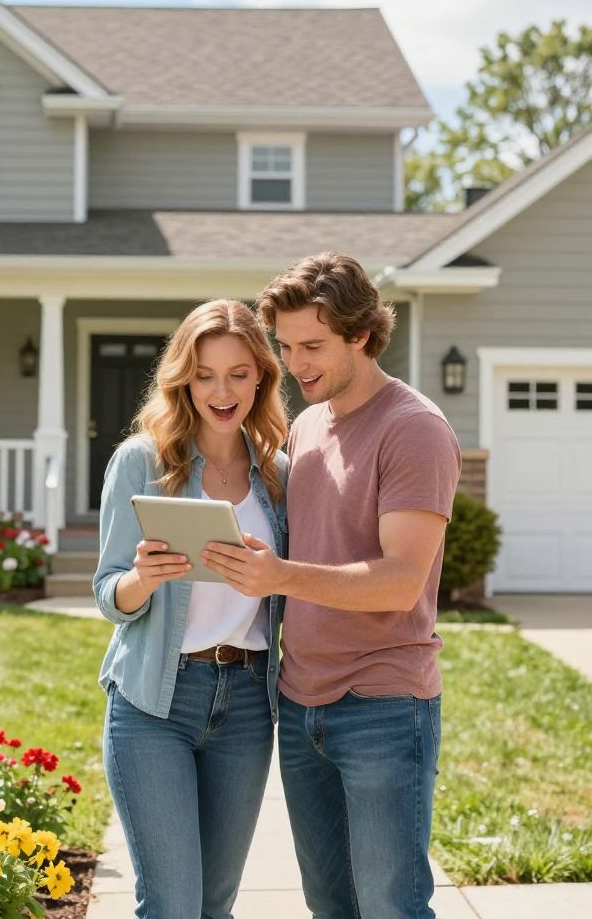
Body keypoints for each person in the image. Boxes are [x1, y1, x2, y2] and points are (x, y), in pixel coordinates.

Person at [202, 253, 462, 919]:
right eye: (286, 348)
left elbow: (401, 582)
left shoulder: (415, 430)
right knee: (330, 908)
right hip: (300, 701)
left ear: (362, 334)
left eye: (313, 346)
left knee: (390, 907)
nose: (297, 364)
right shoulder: (309, 426)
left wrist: (281, 576)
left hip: (381, 702)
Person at [93, 299, 289, 919]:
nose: (222, 390)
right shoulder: (143, 462)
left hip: (249, 703)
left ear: (261, 375)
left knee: (215, 905)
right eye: (205, 375)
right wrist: (143, 580)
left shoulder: (279, 475)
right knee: (173, 905)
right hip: (155, 702)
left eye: (237, 373)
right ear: (184, 378)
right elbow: (107, 592)